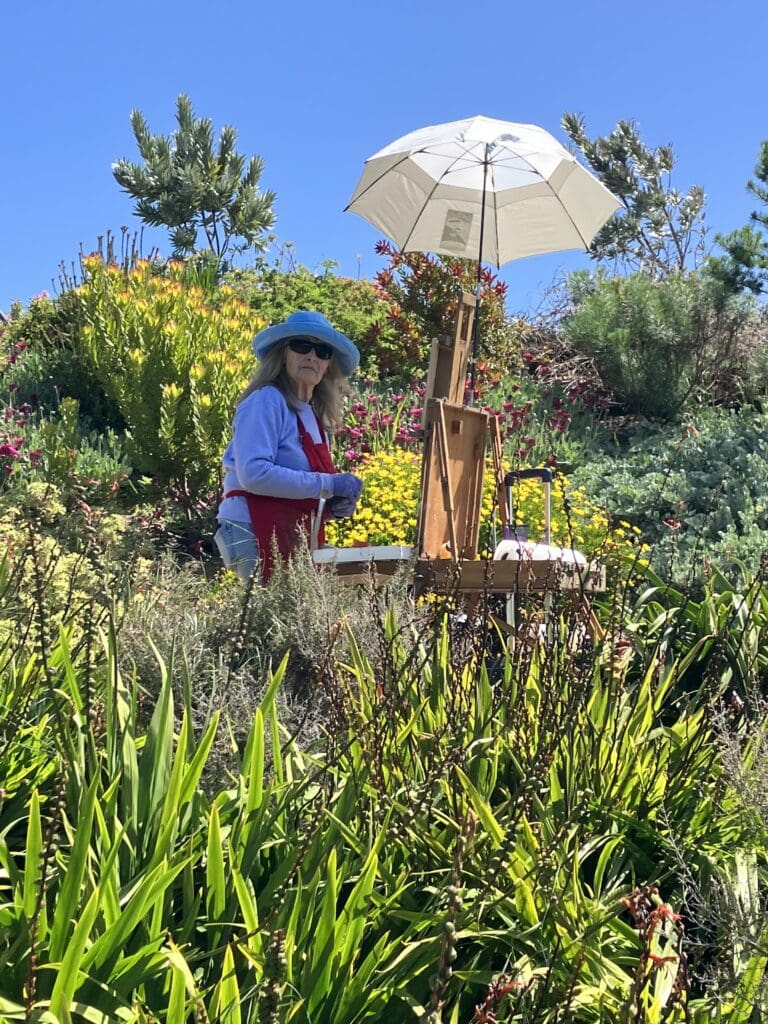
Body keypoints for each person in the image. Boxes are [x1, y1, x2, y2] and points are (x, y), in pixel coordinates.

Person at [215, 310, 363, 583]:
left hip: (291, 532)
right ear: (282, 354)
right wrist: (330, 485)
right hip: (252, 528)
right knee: (268, 619)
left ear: (329, 365)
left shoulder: (313, 417)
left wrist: (330, 508)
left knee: (292, 619)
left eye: (322, 351)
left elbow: (301, 488)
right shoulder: (266, 400)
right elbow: (255, 474)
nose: (311, 356)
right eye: (301, 346)